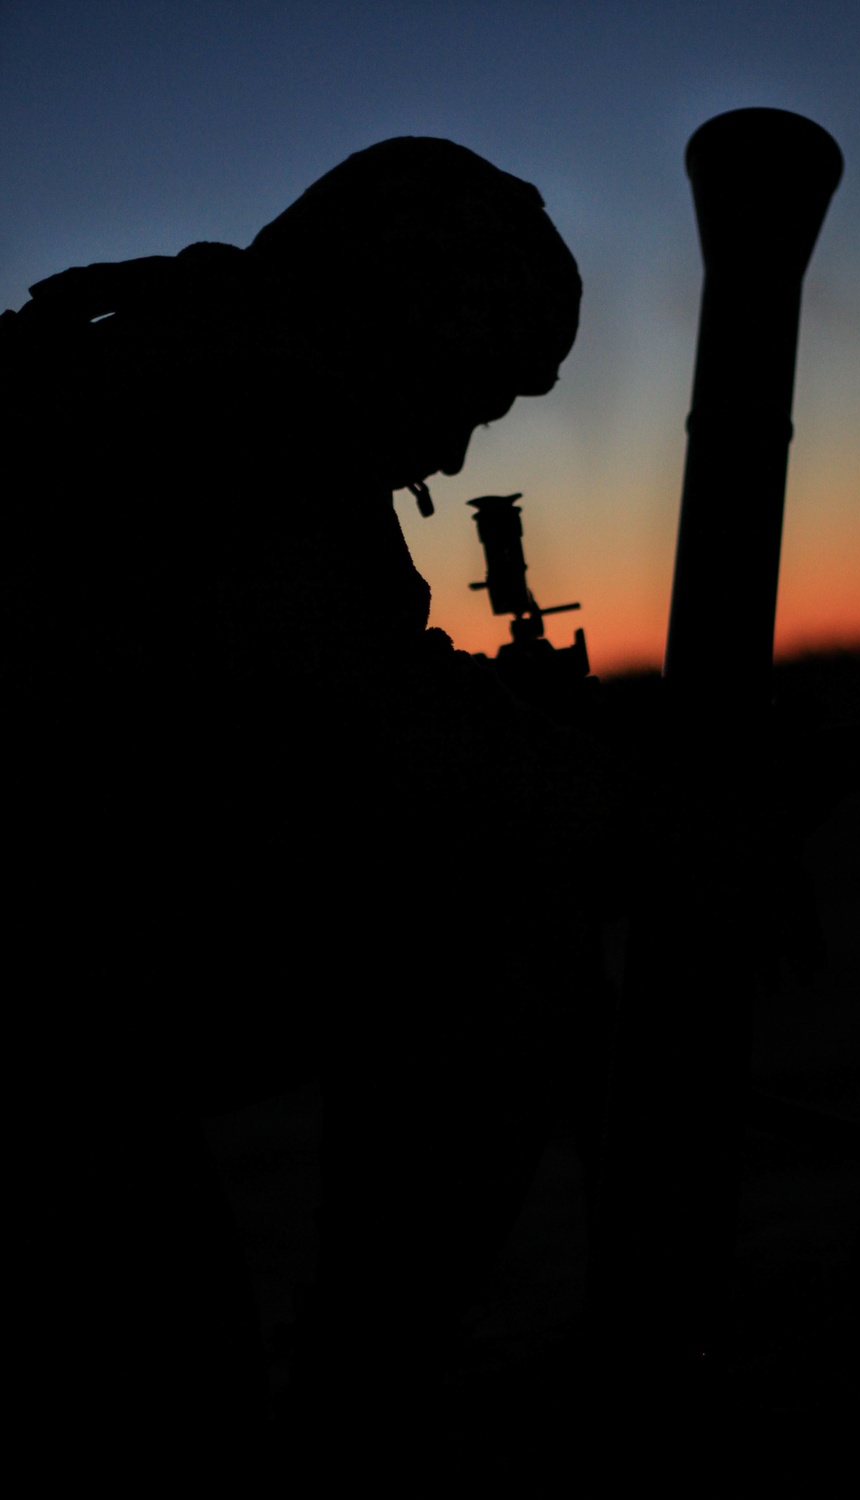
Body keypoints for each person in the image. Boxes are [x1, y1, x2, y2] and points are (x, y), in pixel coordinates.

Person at [4, 137, 621, 1473]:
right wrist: (628, 813)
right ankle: (361, 1412)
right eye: (470, 391)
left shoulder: (173, 364)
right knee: (506, 929)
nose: (456, 451)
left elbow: (316, 686)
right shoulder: (237, 410)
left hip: (74, 974)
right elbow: (362, 723)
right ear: (406, 310)